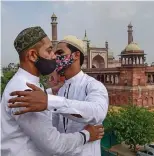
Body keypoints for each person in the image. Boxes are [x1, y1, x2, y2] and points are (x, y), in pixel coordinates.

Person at [1, 26, 104, 156]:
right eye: (50, 51)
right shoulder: (25, 90)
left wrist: (49, 97)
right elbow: (53, 144)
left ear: (76, 55)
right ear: (32, 55)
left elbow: (98, 111)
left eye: (58, 52)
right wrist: (87, 135)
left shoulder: (92, 85)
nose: (54, 56)